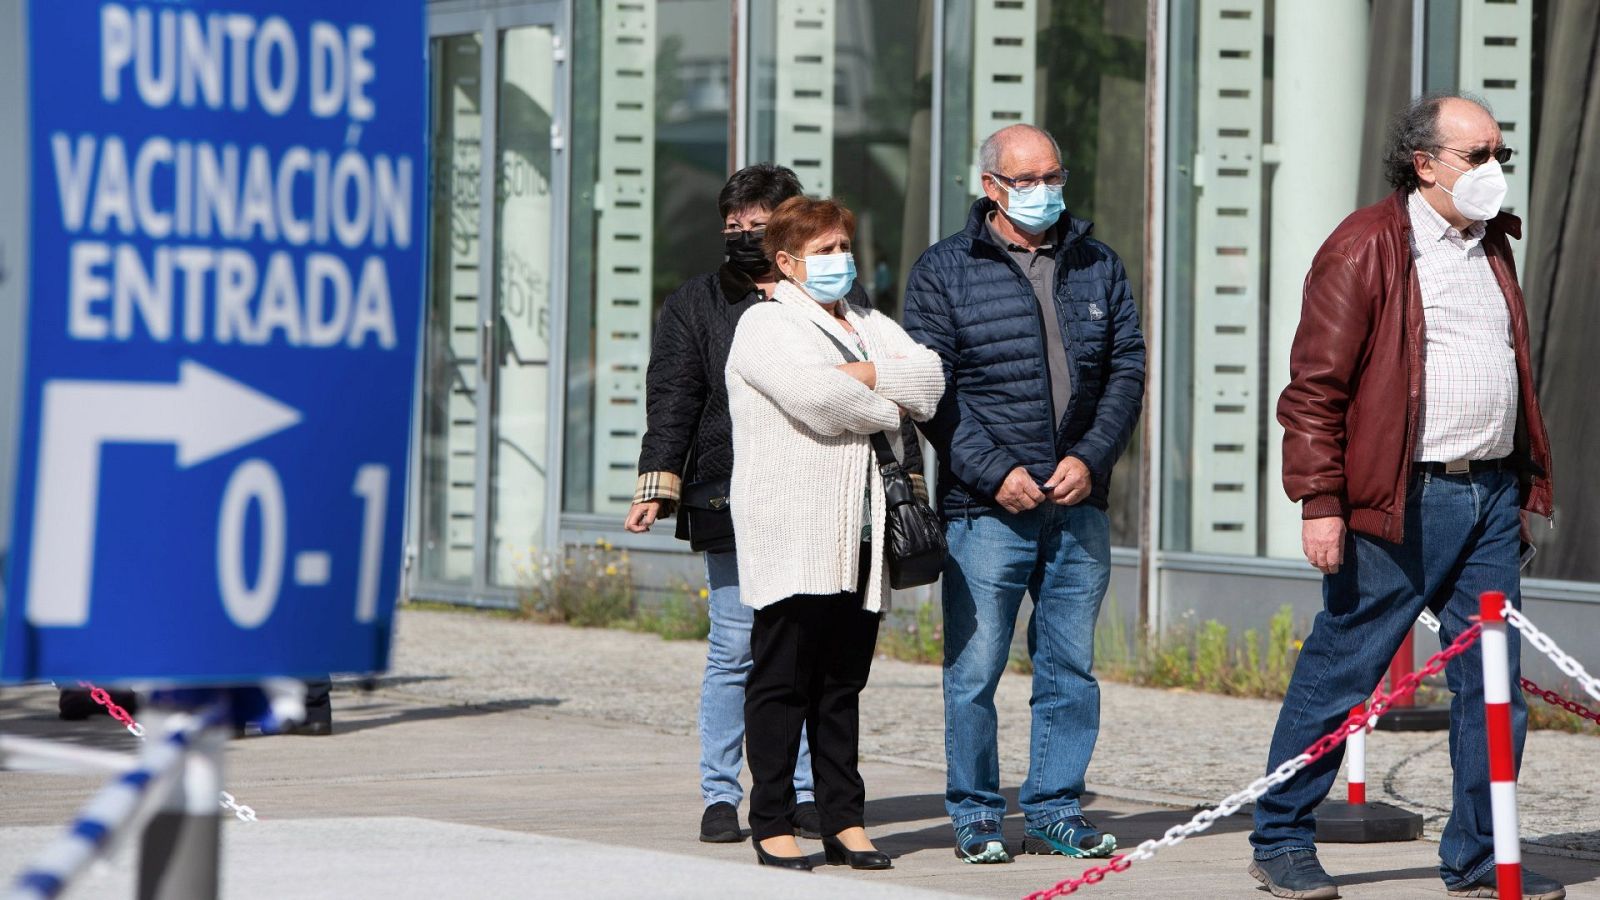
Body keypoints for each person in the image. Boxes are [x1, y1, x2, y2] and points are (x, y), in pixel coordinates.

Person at [1248, 93, 1561, 900]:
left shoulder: (1493, 245)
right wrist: (1319, 502)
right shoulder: (1364, 246)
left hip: (1489, 493)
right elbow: (1314, 390)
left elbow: (1508, 369)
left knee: (1492, 684)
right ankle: (1280, 836)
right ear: (1424, 165)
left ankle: (1480, 853)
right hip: (1401, 499)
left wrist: (1522, 482)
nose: (1493, 171)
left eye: (1500, 155)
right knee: (1342, 669)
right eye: (1476, 156)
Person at [902, 123, 1145, 864]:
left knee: (1069, 668)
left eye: (1053, 175)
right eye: (1026, 179)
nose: (1044, 191)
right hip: (987, 510)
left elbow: (1125, 369)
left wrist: (1091, 456)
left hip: (1077, 501)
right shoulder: (943, 270)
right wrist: (992, 471)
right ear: (991, 187)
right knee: (975, 671)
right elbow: (930, 391)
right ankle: (976, 812)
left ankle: (1053, 808)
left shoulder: (1095, 261)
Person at [725, 195, 943, 871]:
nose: (839, 260)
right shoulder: (765, 325)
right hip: (795, 528)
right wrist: (888, 400)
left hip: (866, 531)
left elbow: (932, 380)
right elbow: (819, 403)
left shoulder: (868, 320)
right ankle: (772, 821)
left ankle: (845, 820)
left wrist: (866, 377)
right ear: (787, 263)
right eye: (823, 251)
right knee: (783, 679)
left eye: (843, 246)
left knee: (842, 683)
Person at [624, 164, 824, 843]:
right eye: (732, 227)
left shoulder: (822, 298)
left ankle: (798, 792)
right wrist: (658, 481)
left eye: (757, 225)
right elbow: (674, 398)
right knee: (736, 648)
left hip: (810, 493)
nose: (742, 236)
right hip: (726, 493)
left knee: (801, 649)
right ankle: (719, 794)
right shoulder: (695, 304)